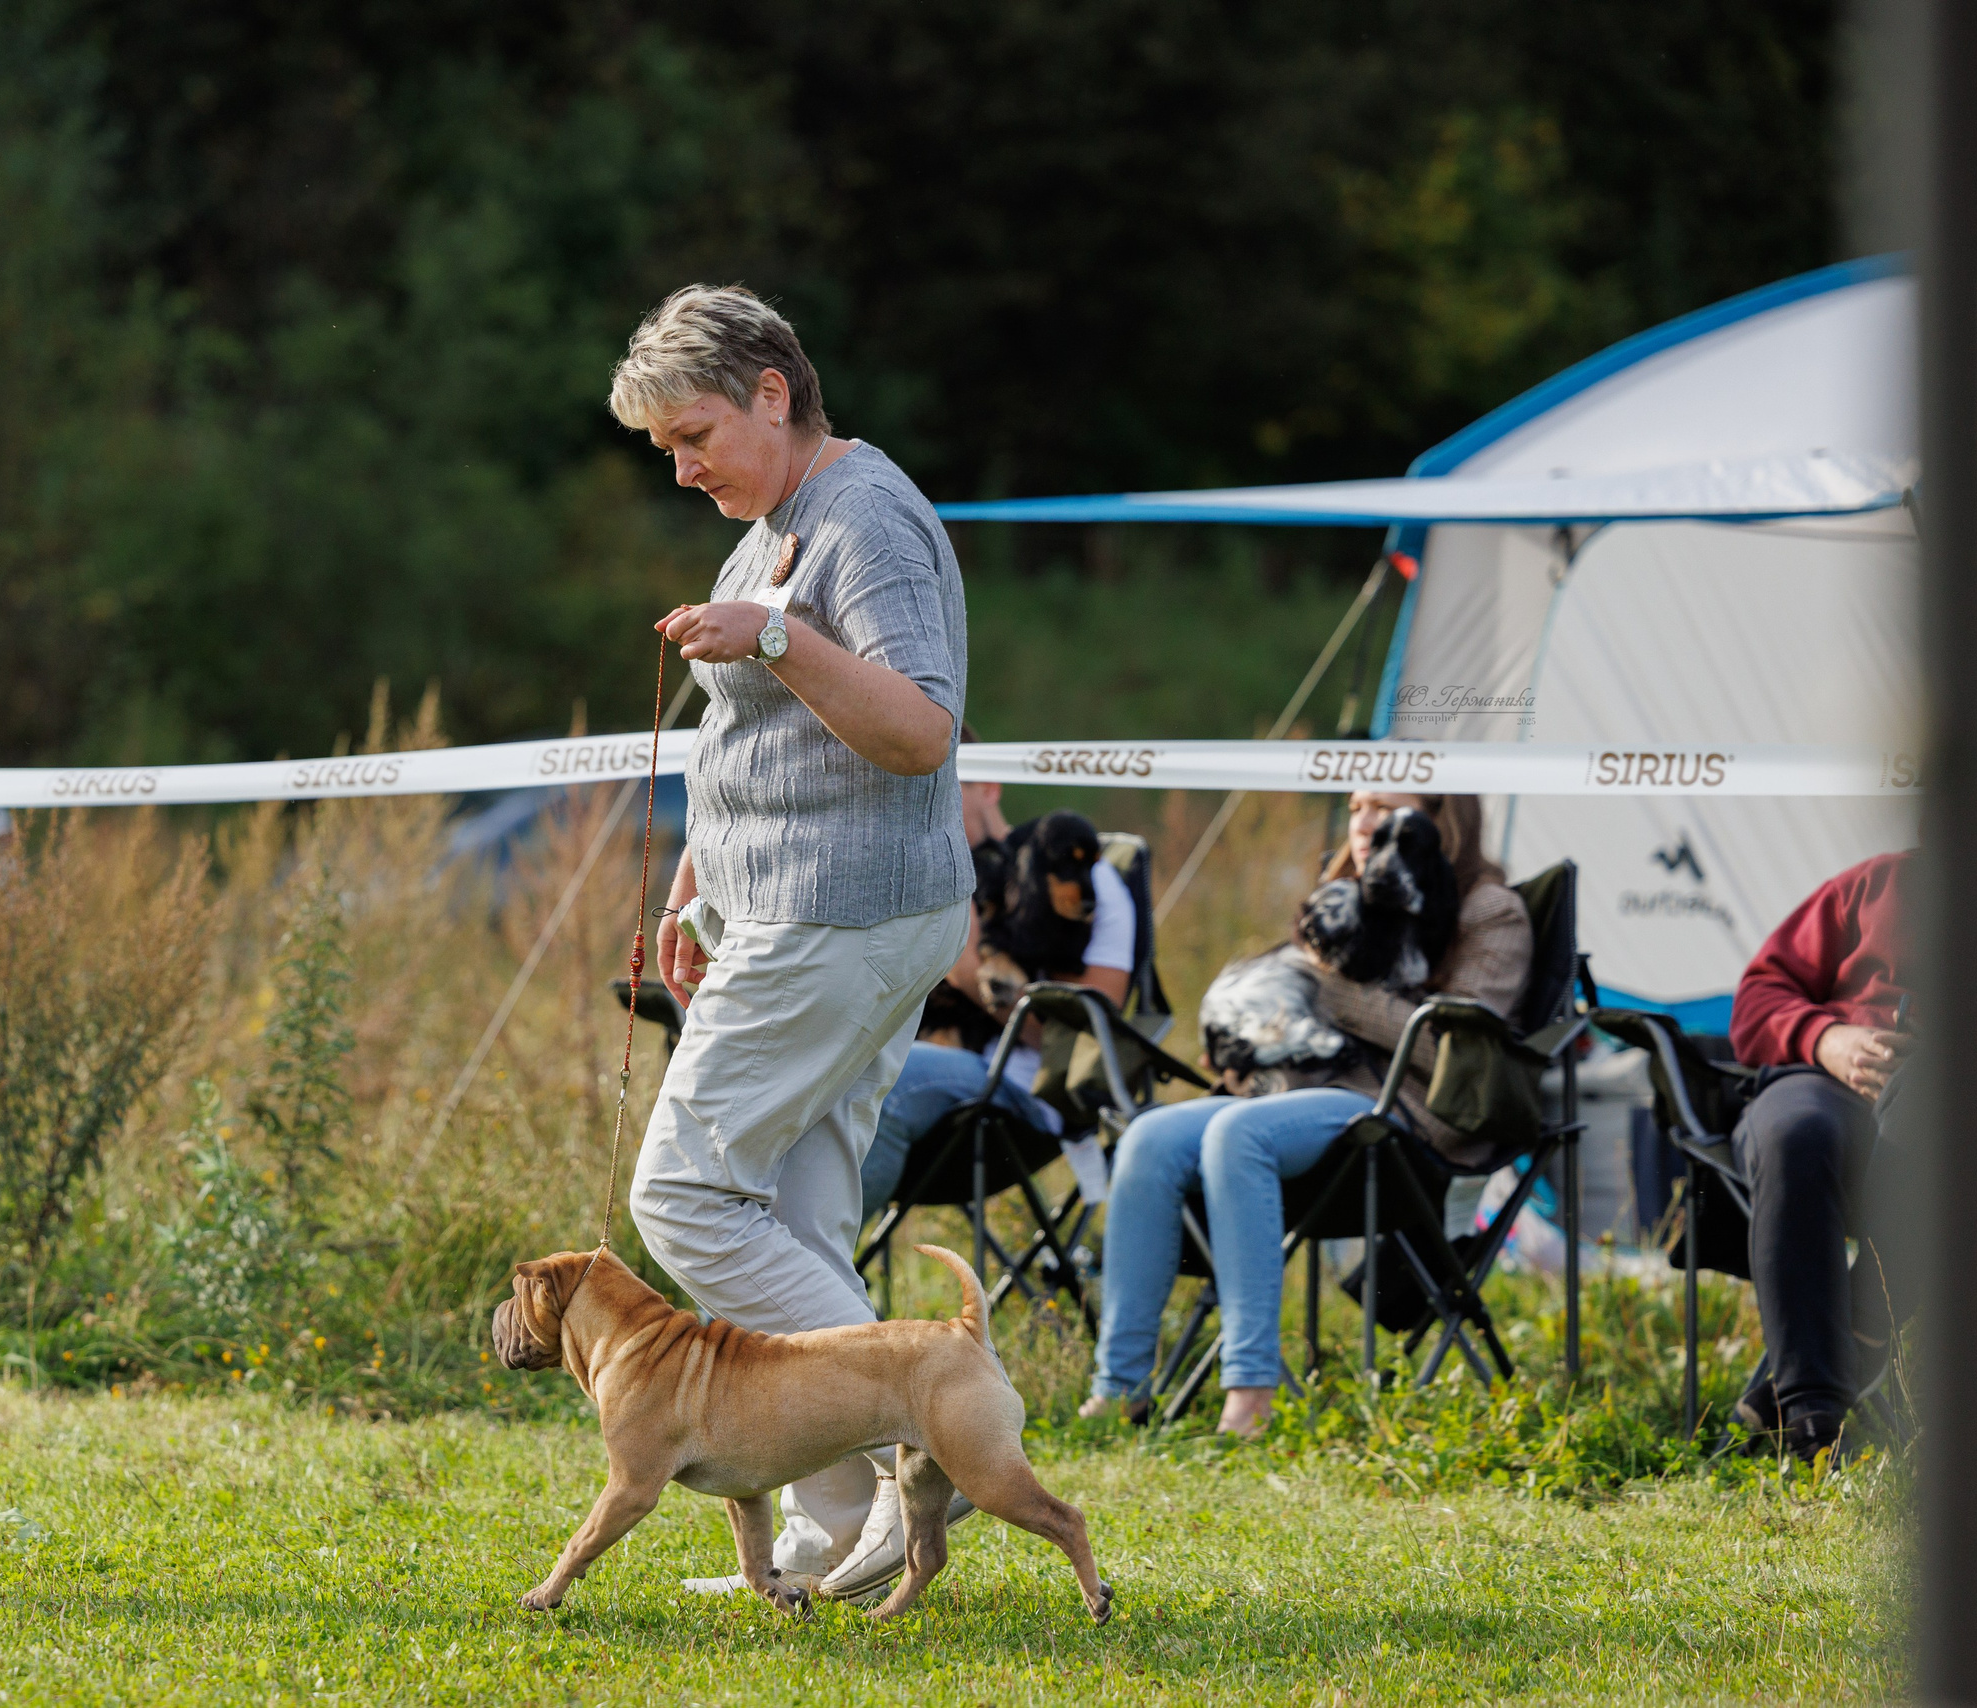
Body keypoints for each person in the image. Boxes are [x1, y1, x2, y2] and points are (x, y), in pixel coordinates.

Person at [609, 285, 974, 1603]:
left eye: (694, 434)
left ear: (774, 392)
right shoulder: (777, 521)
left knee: (689, 1197)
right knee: (803, 1207)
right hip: (806, 909)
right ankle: (838, 1538)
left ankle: (905, 1431)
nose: (682, 465)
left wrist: (773, 632)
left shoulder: (862, 519)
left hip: (840, 915)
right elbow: (759, 734)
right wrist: (698, 882)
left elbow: (922, 731)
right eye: (664, 450)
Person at [1083, 790, 1531, 1436]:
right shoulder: (1339, 892)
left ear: (1442, 818)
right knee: (1149, 1136)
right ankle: (1118, 1388)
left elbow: (1460, 1054)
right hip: (1299, 1094)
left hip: (1397, 1119)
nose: (1365, 823)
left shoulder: (1491, 912)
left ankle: (1251, 1390)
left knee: (1239, 1133)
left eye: (1385, 806)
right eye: (1356, 807)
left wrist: (1335, 991)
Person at [1724, 703, 1977, 1458]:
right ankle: (1814, 1416)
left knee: (1932, 1094)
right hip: (1831, 1092)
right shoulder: (1876, 884)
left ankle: (1840, 1355)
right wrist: (1825, 1038)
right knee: (1790, 1125)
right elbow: (1758, 997)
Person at [863, 806, 1136, 1225]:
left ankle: (818, 1268)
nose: (935, 801)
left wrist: (965, 962)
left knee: (876, 1075)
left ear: (988, 790)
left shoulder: (1090, 881)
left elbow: (1090, 1031)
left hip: (1021, 1088)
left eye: (955, 786)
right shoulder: (979, 870)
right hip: (960, 1063)